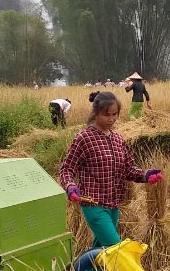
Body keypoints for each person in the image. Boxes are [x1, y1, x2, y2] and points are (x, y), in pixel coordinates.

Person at [59, 91, 162, 254]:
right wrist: (70, 186)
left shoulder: (118, 139)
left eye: (115, 114)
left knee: (101, 253)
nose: (111, 119)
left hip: (114, 206)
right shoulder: (84, 138)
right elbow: (66, 169)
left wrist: (145, 175)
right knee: (115, 249)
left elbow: (128, 169)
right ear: (95, 113)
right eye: (107, 115)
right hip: (94, 205)